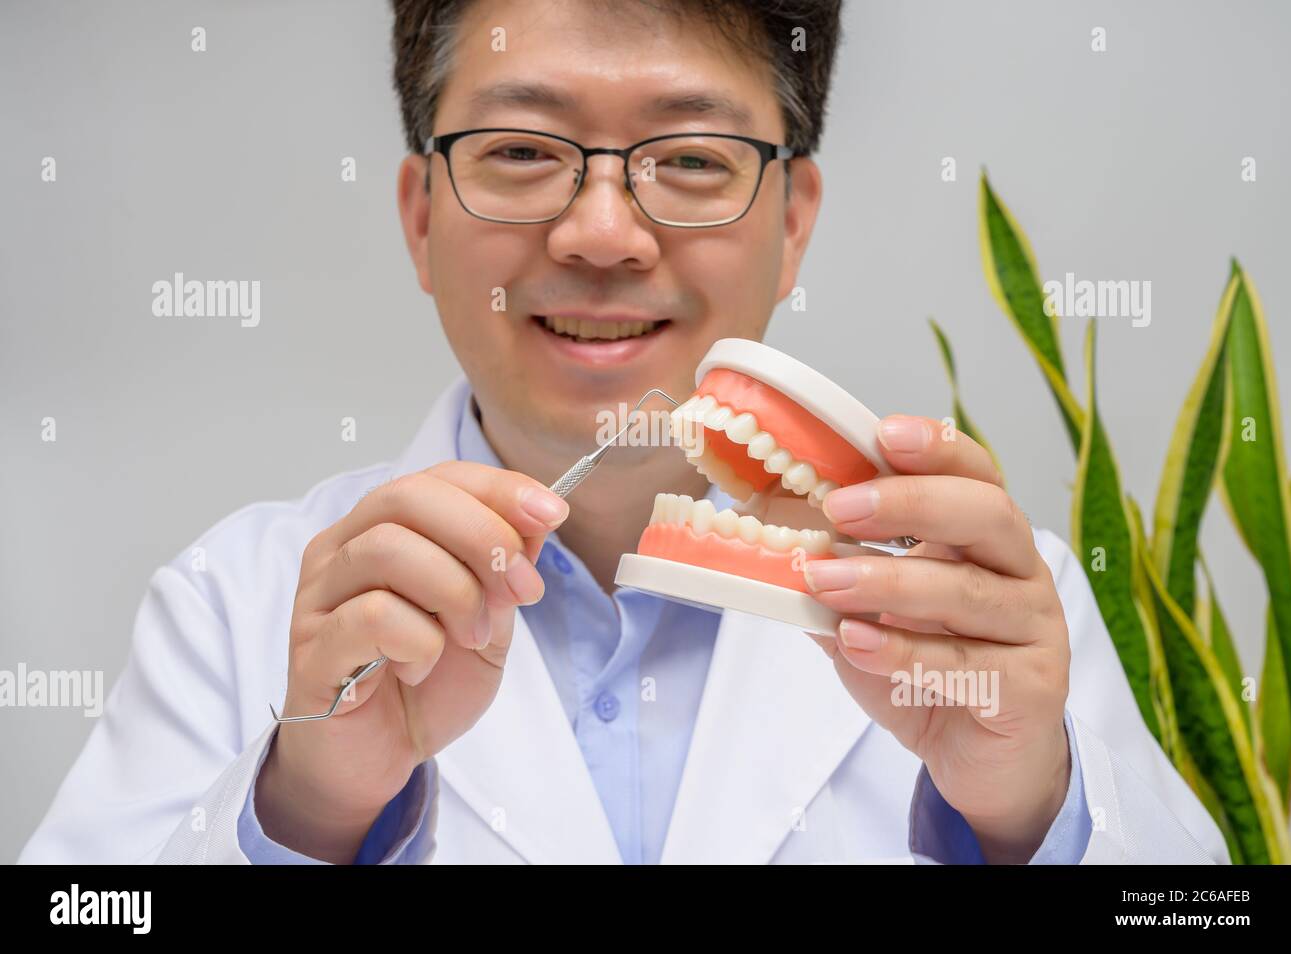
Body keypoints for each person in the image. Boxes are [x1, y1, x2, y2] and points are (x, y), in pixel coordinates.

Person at [21, 0, 1226, 865]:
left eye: (693, 159)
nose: (603, 233)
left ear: (793, 222)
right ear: (421, 213)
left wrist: (1034, 815)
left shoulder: (996, 608)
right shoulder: (237, 603)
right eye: (522, 152)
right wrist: (302, 817)